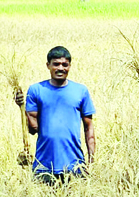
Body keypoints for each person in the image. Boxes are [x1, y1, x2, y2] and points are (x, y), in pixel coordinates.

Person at [14, 46, 96, 185]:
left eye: (64, 64)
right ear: (48, 65)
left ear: (70, 66)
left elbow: (89, 128)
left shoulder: (81, 91)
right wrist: (23, 109)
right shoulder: (36, 90)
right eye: (56, 64)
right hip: (43, 166)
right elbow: (33, 129)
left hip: (75, 166)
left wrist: (91, 161)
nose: (60, 68)